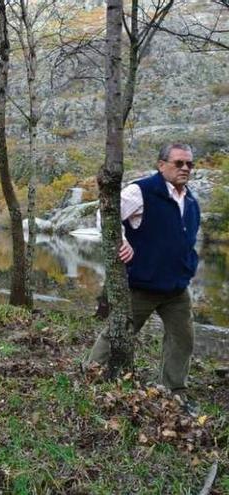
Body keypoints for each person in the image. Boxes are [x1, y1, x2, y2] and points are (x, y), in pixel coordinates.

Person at [87, 143, 200, 398]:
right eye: (179, 163)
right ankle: (89, 375)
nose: (185, 168)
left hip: (176, 288)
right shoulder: (141, 190)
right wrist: (122, 241)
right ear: (162, 165)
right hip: (142, 285)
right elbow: (104, 214)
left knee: (182, 339)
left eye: (189, 164)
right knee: (117, 333)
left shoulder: (190, 199)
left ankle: (174, 390)